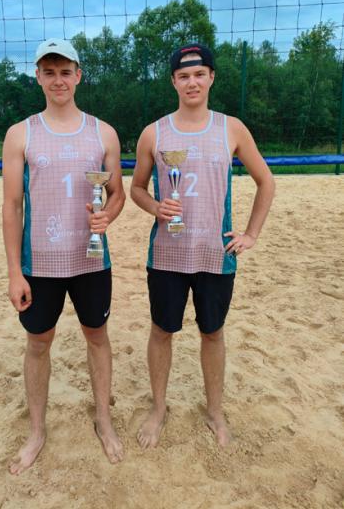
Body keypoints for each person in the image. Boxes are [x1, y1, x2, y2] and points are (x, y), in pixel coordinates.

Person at [130, 42, 275, 449]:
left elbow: (266, 181)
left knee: (212, 333)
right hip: (167, 255)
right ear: (173, 81)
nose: (191, 82)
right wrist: (155, 206)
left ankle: (214, 411)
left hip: (216, 254)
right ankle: (159, 408)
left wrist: (250, 234)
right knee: (162, 331)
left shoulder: (231, 128)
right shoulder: (154, 132)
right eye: (183, 75)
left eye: (198, 74)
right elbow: (136, 188)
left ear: (211, 77)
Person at [2, 38, 126, 474]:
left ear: (78, 76)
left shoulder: (103, 132)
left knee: (97, 336)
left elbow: (116, 193)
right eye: (49, 72)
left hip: (91, 260)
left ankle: (103, 420)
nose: (59, 80)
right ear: (38, 76)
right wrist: (14, 272)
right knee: (38, 343)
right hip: (40, 264)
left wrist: (108, 216)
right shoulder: (20, 134)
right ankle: (36, 431)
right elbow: (12, 206)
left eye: (65, 71)